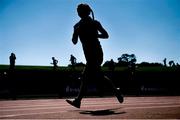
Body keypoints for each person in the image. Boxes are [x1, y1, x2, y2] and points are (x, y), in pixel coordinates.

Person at [66, 3, 123, 108]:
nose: (79, 13)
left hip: (97, 54)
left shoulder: (95, 23)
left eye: (81, 11)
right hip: (88, 55)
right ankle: (116, 90)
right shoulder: (77, 26)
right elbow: (74, 41)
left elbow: (106, 35)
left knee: (85, 77)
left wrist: (96, 35)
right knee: (99, 77)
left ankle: (78, 101)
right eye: (78, 11)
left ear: (87, 12)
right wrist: (75, 33)